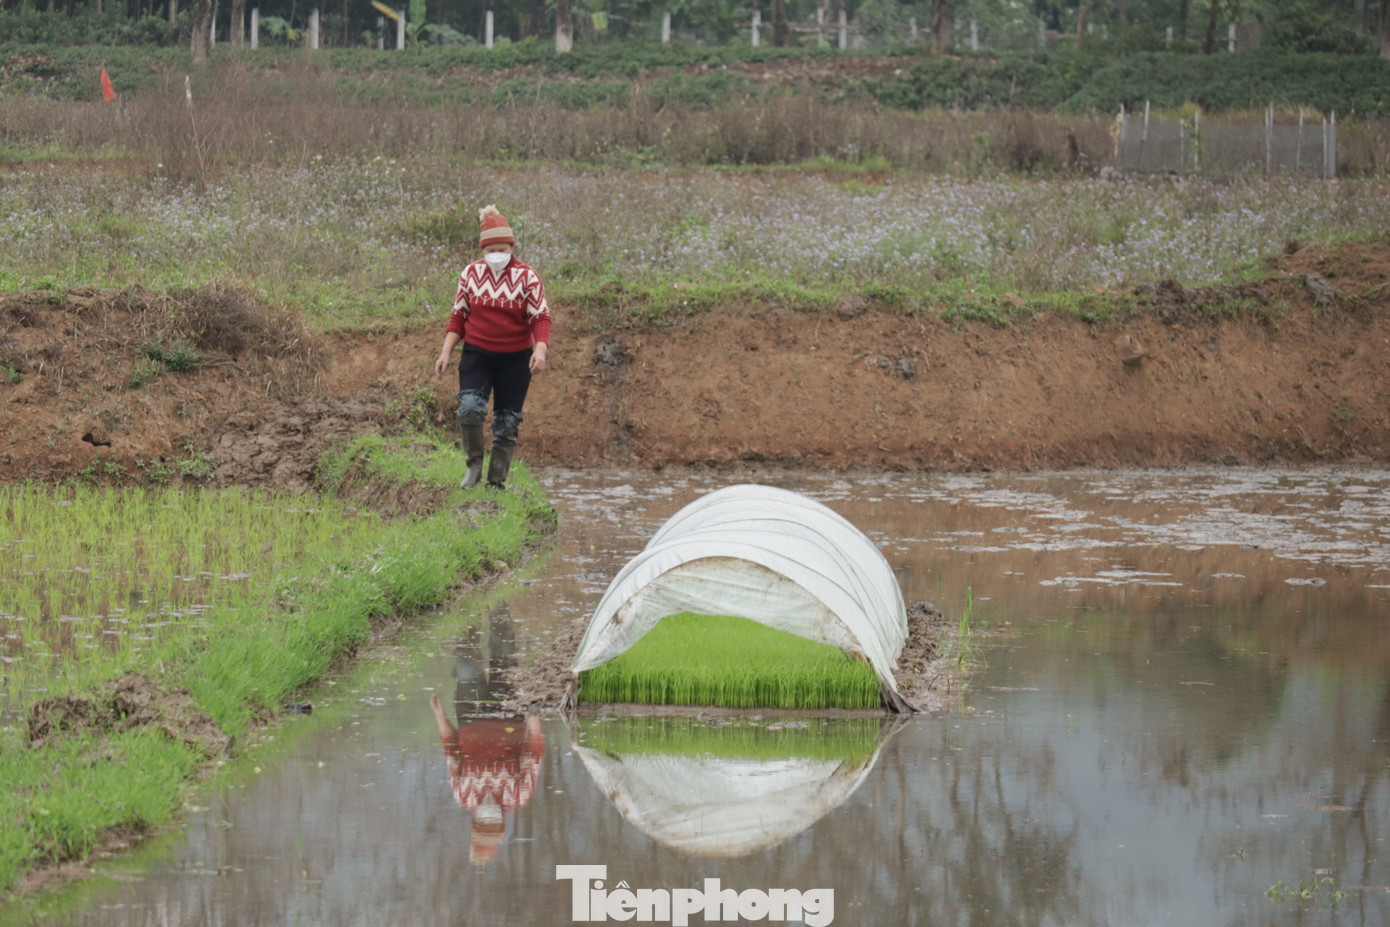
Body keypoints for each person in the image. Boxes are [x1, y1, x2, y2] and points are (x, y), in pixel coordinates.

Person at [434, 204, 552, 490]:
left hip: (516, 359)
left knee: (507, 422)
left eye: (503, 248)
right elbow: (459, 315)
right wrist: (446, 352)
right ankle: (473, 468)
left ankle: (496, 482)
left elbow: (541, 317)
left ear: (512, 247)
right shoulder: (470, 274)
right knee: (470, 408)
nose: (497, 255)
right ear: (482, 250)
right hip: (478, 355)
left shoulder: (528, 277)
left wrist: (540, 349)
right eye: (491, 250)